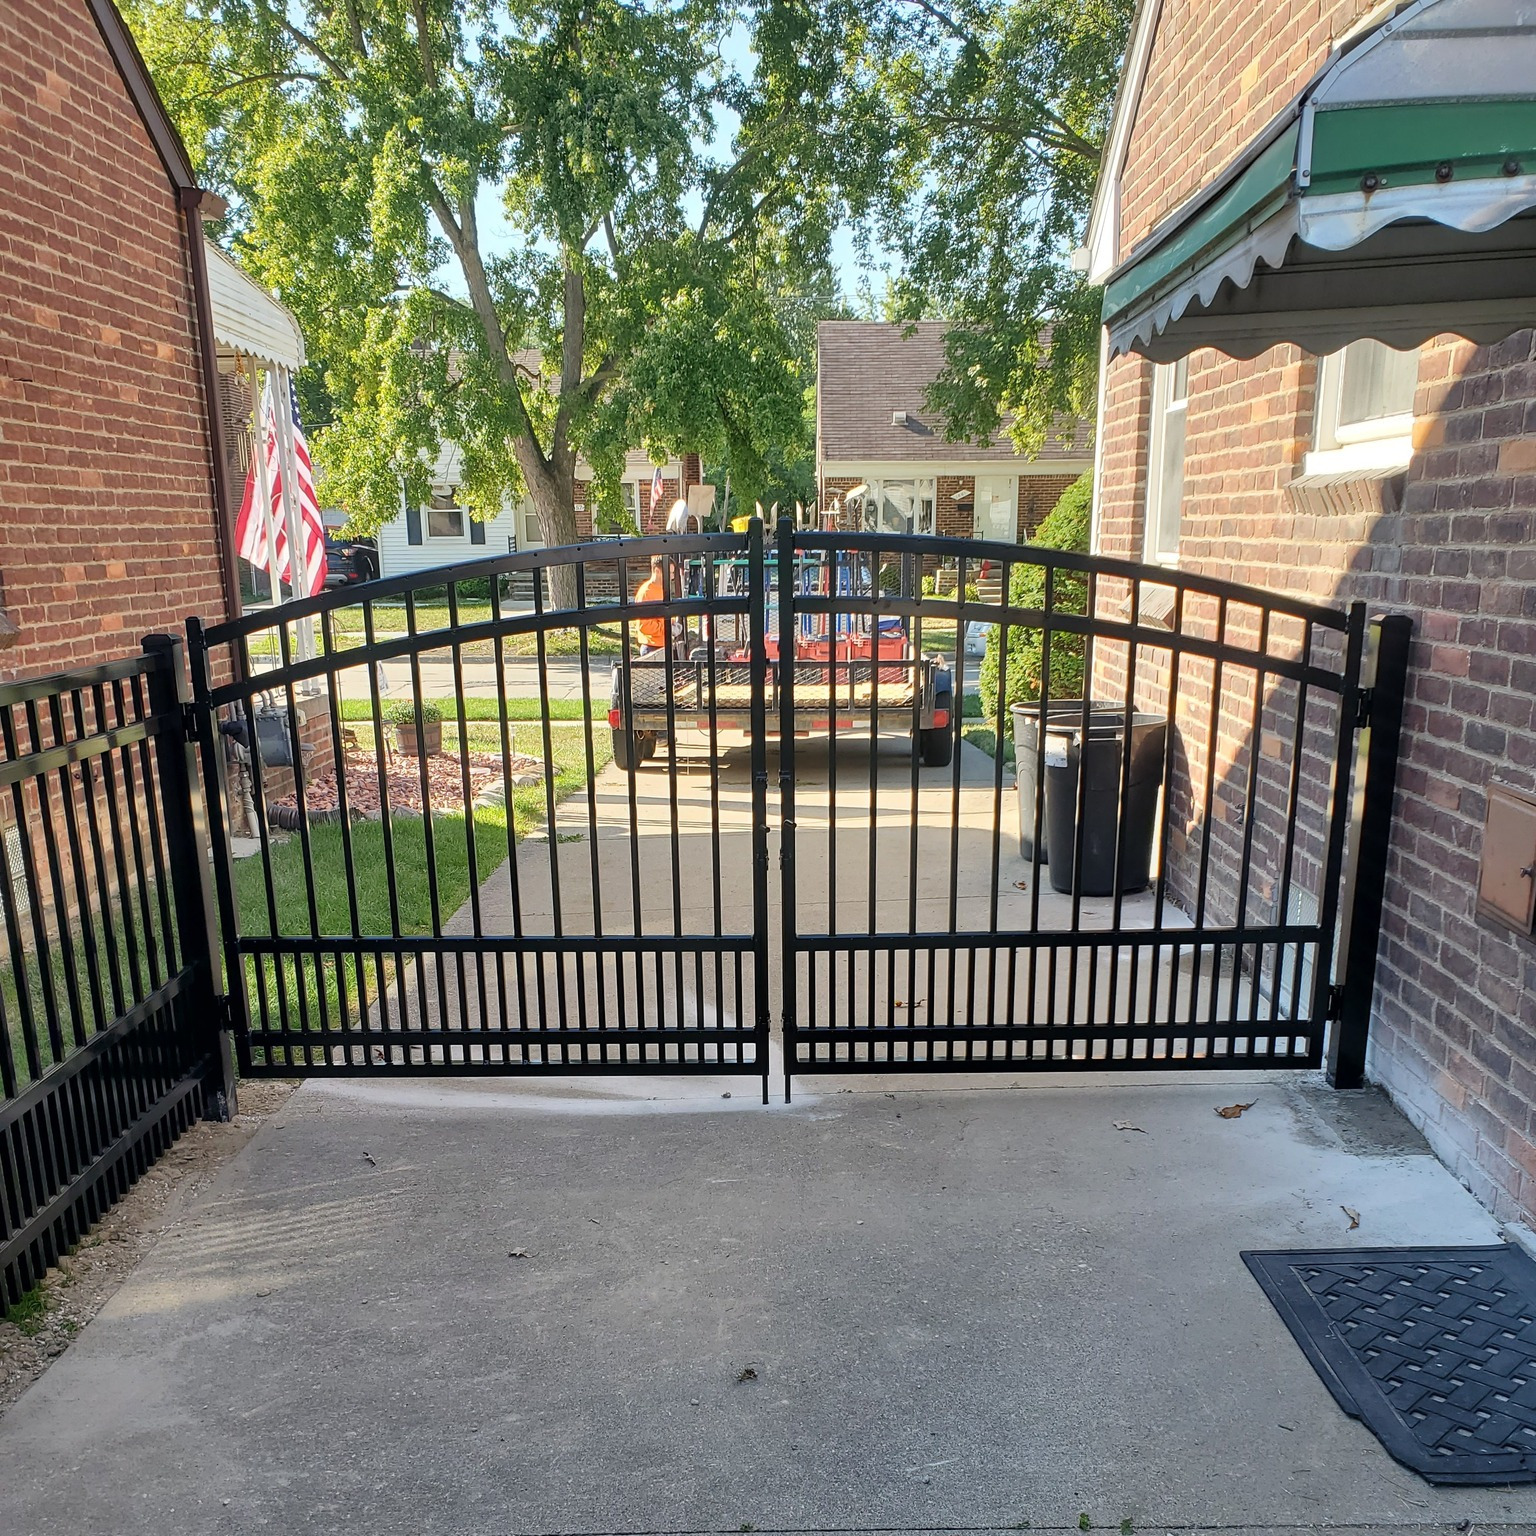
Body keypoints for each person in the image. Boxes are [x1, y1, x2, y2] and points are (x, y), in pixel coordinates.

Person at [634, 554, 669, 653]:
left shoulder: (663, 589)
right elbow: (644, 626)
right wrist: (667, 628)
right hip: (652, 647)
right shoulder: (646, 592)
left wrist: (673, 623)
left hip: (662, 644)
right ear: (657, 571)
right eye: (669, 573)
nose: (672, 577)